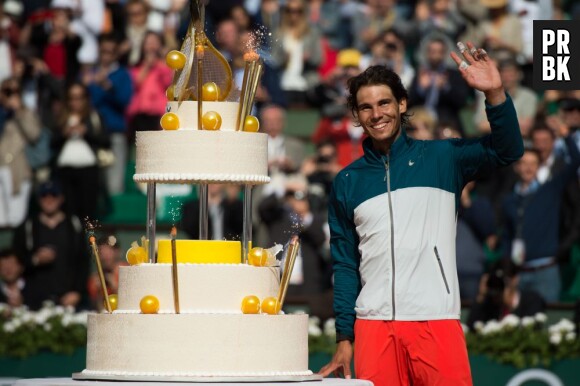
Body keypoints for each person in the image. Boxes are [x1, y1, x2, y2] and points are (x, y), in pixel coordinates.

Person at [319, 42, 524, 385]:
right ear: (356, 116)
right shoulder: (347, 181)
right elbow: (345, 264)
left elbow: (508, 150)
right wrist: (344, 338)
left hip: (436, 320)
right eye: (365, 107)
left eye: (384, 102)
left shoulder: (443, 157)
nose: (376, 113)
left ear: (401, 104)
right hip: (373, 327)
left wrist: (495, 94)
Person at [12, 180, 89, 310]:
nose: (49, 199)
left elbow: (83, 261)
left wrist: (77, 291)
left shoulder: (74, 225)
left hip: (67, 300)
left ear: (61, 198)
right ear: (38, 199)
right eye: (44, 195)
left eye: (54, 195)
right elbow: (17, 260)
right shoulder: (27, 227)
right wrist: (35, 259)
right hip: (35, 301)